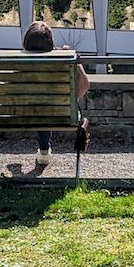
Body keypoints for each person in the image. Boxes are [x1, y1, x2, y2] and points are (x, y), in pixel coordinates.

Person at [21, 21, 91, 169]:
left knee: (40, 105)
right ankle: (44, 152)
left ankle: (44, 151)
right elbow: (85, 85)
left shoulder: (19, 61)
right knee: (46, 106)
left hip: (23, 113)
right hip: (64, 113)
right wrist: (73, 58)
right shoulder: (63, 58)